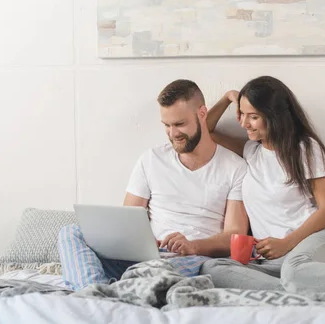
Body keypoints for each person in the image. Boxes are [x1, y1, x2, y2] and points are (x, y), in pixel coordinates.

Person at [200, 76, 325, 295]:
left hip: (315, 244)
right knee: (212, 268)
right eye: (242, 115)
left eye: (253, 117)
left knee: (294, 271)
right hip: (273, 261)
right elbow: (205, 132)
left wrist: (286, 243)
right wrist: (228, 97)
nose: (243, 124)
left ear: (274, 117)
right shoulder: (251, 152)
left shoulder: (305, 149)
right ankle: (302, 288)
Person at [58, 79, 249, 291]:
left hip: (190, 260)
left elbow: (234, 235)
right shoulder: (151, 159)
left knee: (163, 270)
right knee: (71, 232)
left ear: (202, 114)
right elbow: (127, 220)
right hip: (143, 258)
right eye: (166, 125)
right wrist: (144, 241)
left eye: (180, 124)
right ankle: (94, 291)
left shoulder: (235, 168)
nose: (173, 133)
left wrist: (193, 246)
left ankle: (114, 289)